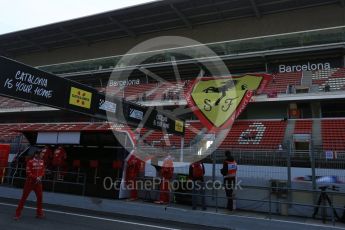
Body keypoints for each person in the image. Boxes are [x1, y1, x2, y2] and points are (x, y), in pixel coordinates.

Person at [14, 151, 45, 220]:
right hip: (30, 183)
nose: (43, 154)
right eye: (41, 153)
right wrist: (36, 177)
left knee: (40, 198)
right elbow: (28, 173)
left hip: (38, 183)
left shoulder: (42, 161)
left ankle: (39, 213)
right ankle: (17, 214)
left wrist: (41, 176)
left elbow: (43, 170)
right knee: (23, 198)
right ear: (36, 154)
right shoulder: (30, 162)